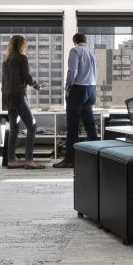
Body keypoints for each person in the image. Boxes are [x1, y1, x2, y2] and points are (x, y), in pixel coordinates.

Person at [2, 35, 47, 169]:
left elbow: (5, 81)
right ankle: (29, 160)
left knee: (14, 129)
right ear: (22, 45)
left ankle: (11, 160)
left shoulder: (7, 60)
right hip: (18, 96)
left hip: (7, 97)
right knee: (32, 126)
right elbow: (26, 76)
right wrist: (37, 86)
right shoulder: (22, 58)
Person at [53, 32, 98, 168]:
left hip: (78, 90)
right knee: (90, 125)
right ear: (84, 40)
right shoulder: (92, 53)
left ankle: (69, 160)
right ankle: (93, 158)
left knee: (72, 126)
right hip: (91, 90)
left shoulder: (75, 51)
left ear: (75, 42)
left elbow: (72, 71)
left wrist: (67, 88)